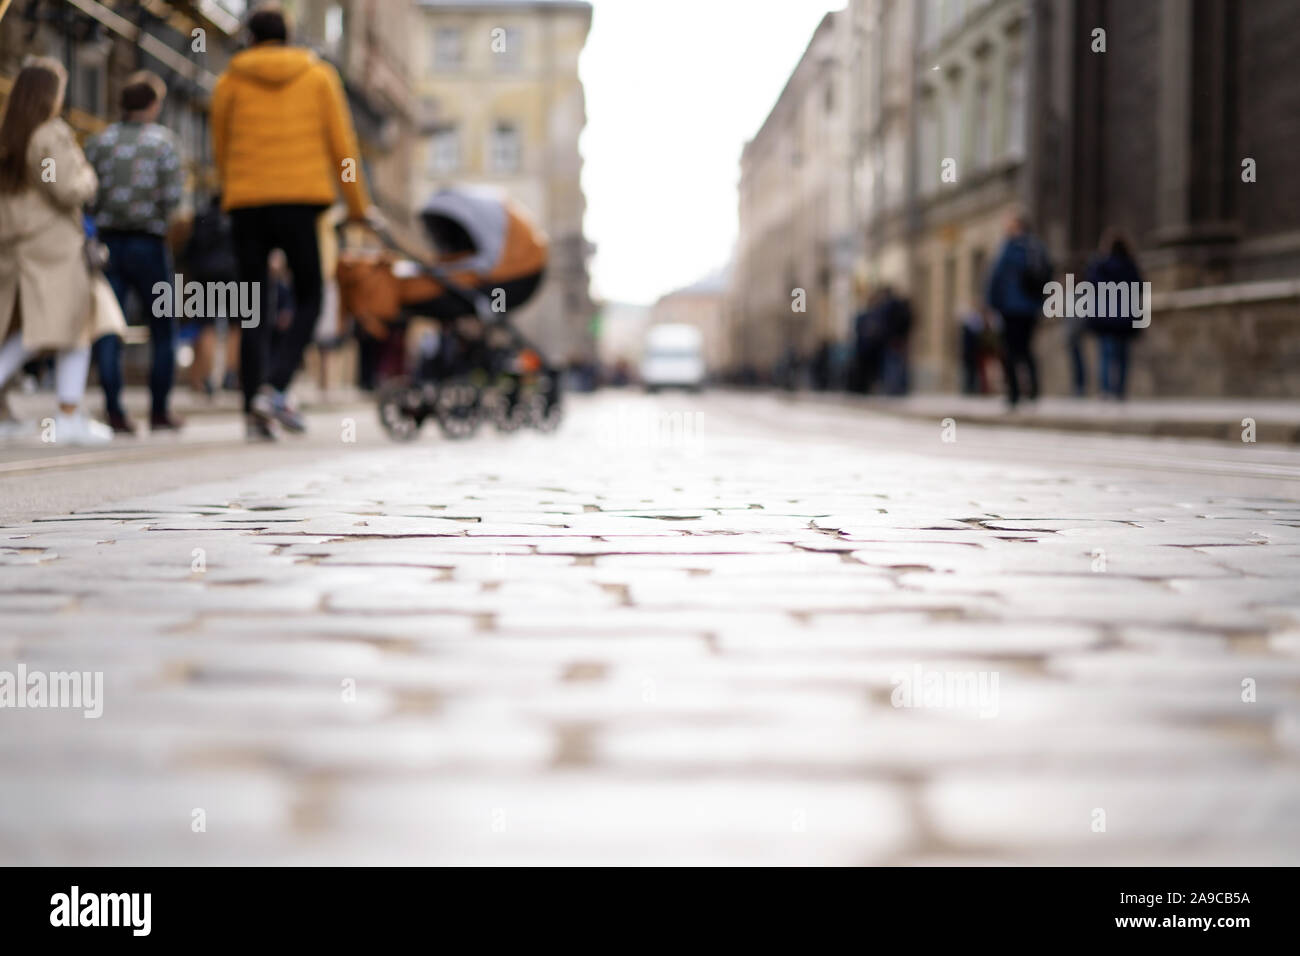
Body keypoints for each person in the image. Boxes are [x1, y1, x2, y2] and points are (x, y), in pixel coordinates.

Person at [211, 3, 375, 440]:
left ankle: (252, 410)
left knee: (253, 303)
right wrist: (358, 205)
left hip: (247, 203)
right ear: (288, 36)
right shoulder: (318, 75)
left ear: (249, 38)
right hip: (302, 201)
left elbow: (220, 146)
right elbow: (344, 147)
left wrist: (233, 188)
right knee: (310, 296)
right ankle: (275, 385)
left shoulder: (229, 81)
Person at [0, 59, 115, 445]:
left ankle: (69, 413)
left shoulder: (10, 135)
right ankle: (67, 417)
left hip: (20, 244)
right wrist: (88, 175)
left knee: (54, 330)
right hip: (54, 248)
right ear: (49, 95)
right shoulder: (48, 135)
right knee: (62, 328)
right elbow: (65, 187)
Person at [84, 70, 185, 434]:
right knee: (163, 328)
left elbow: (86, 194)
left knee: (110, 324)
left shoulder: (98, 142)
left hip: (107, 243)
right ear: (153, 105)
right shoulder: (164, 143)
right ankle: (159, 410)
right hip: (149, 242)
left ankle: (114, 410)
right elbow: (173, 199)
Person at [986, 209, 1053, 408]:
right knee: (1026, 348)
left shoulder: (1008, 248)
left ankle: (1014, 392)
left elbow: (995, 277)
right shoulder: (1037, 247)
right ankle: (1033, 390)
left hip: (1010, 307)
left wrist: (991, 304)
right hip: (1030, 307)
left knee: (1010, 350)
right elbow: (1047, 273)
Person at [179, 189, 239, 397]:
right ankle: (231, 373)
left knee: (206, 326)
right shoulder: (238, 217)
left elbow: (189, 251)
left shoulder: (202, 217)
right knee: (236, 326)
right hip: (235, 275)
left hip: (205, 277)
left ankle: (206, 378)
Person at [1085, 229, 1144, 400]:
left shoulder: (1099, 266)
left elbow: (1091, 287)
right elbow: (1139, 287)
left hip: (1105, 316)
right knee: (1123, 355)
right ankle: (1120, 391)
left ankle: (1106, 390)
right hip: (1126, 316)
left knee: (1106, 354)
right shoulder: (1130, 265)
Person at [880, 286, 913, 395]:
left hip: (893, 340)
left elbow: (885, 324)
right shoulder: (903, 308)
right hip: (901, 339)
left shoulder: (889, 307)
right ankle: (900, 387)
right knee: (900, 364)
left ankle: (893, 388)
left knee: (893, 364)